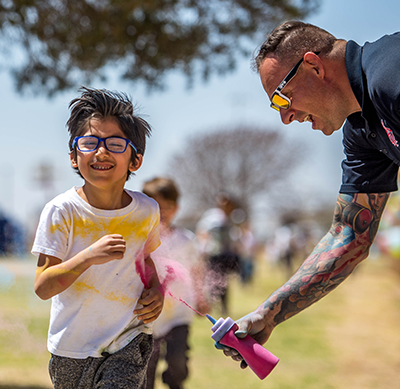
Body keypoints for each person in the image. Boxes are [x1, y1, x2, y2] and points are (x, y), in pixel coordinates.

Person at [222, 20, 400, 368]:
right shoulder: (362, 127)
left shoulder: (391, 79)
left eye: (281, 97)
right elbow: (349, 235)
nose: (286, 117)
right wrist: (268, 313)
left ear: (314, 66)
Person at [32, 87, 164, 388]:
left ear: (135, 161)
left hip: (129, 339)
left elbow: (146, 262)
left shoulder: (147, 210)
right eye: (90, 142)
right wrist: (87, 257)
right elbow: (42, 286)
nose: (101, 152)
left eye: (115, 144)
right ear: (74, 157)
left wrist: (157, 292)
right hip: (72, 350)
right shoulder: (61, 211)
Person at [142, 177, 209, 389]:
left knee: (178, 360)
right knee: (146, 369)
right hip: (148, 318)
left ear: (177, 208)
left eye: (167, 207)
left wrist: (200, 297)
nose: (162, 212)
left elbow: (196, 270)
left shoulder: (186, 240)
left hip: (179, 314)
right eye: (156, 207)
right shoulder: (140, 239)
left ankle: (175, 383)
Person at [196, 193, 241, 316]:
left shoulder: (230, 218)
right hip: (213, 254)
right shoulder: (212, 216)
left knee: (224, 282)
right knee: (213, 280)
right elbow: (202, 231)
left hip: (225, 255)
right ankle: (213, 306)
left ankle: (224, 307)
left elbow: (233, 237)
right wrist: (204, 248)